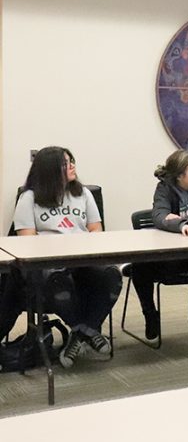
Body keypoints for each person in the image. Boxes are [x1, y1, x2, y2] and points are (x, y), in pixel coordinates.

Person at [13, 146, 122, 368]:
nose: (72, 166)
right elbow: (27, 242)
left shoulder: (83, 194)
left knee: (112, 275)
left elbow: (95, 230)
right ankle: (86, 330)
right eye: (65, 163)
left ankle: (80, 332)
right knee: (56, 280)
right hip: (49, 264)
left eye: (72, 161)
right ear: (49, 170)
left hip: (82, 261)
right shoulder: (29, 198)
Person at [130, 149, 188, 340]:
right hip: (169, 259)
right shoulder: (164, 187)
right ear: (180, 176)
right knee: (139, 266)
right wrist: (180, 225)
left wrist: (183, 220)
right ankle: (150, 314)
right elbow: (158, 216)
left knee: (143, 268)